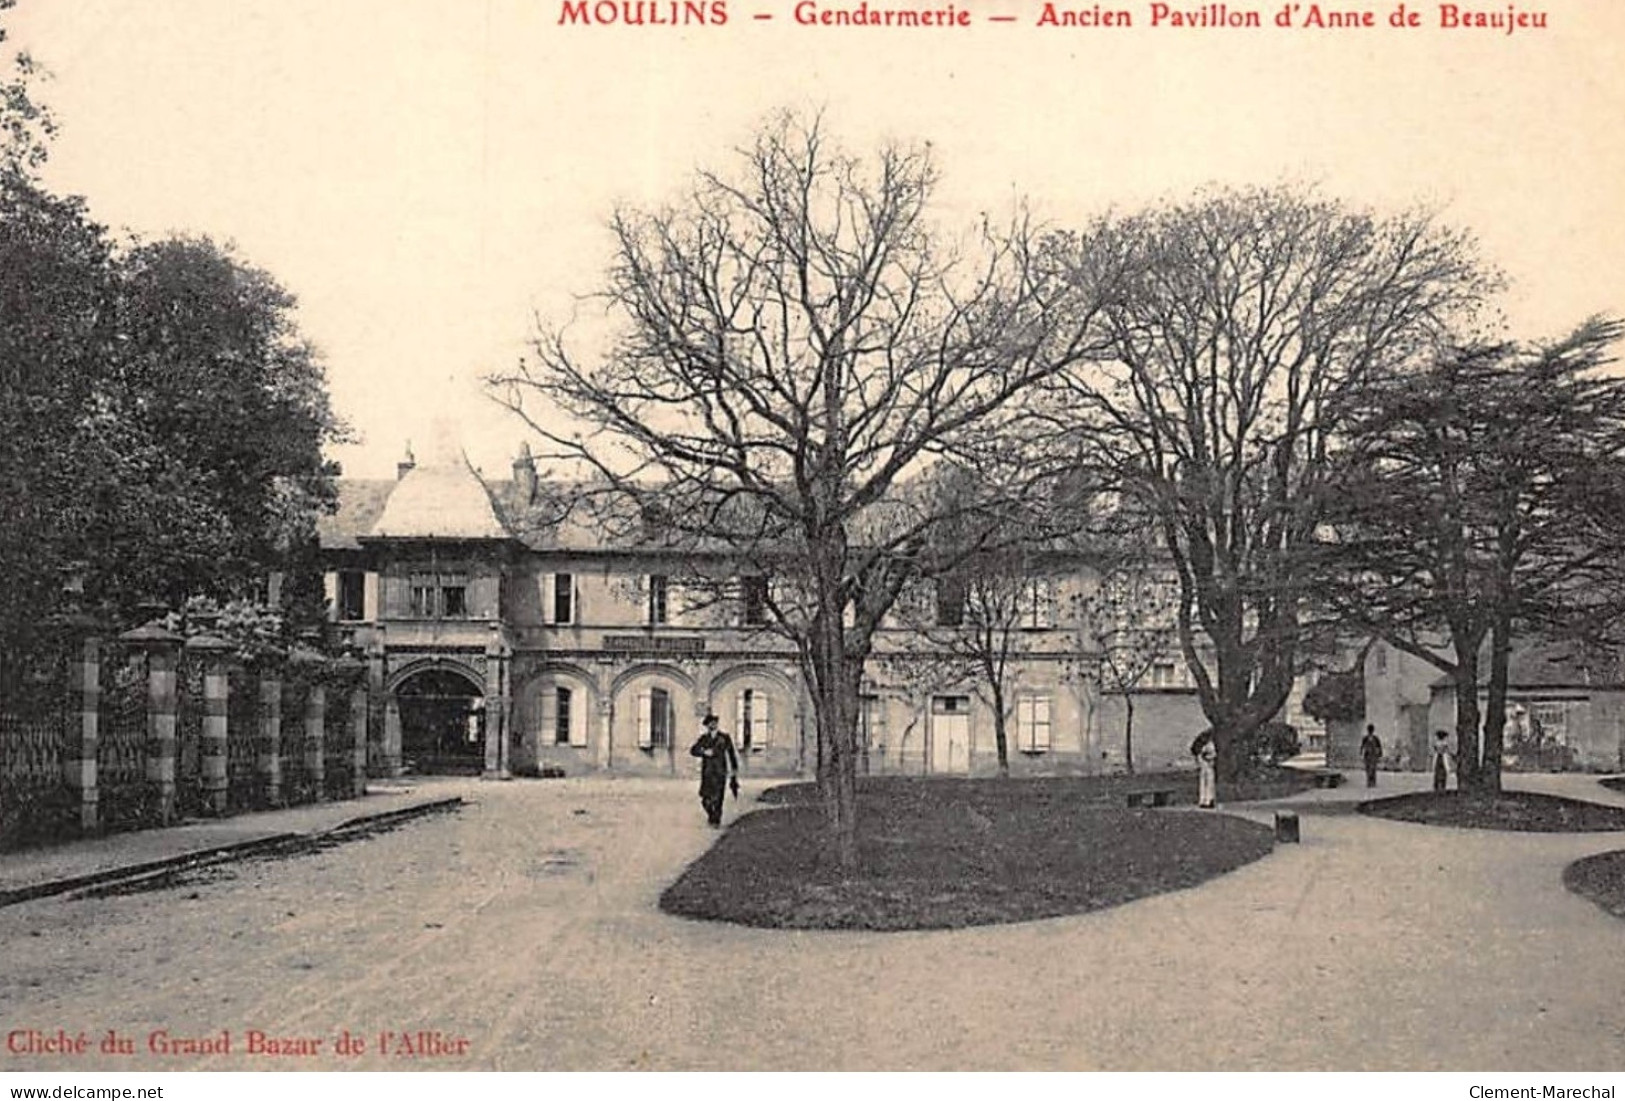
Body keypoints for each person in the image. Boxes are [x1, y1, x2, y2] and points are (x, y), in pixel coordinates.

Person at [689, 712, 739, 827]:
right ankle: (711, 815)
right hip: (707, 772)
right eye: (710, 723)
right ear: (707, 725)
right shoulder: (704, 738)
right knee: (705, 799)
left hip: (720, 771)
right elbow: (693, 750)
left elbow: (731, 754)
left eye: (715, 722)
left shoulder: (724, 738)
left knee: (718, 797)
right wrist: (704, 752)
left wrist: (734, 771)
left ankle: (716, 820)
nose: (713, 724)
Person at [1190, 729, 1217, 808]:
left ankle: (1205, 800)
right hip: (1207, 764)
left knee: (1205, 782)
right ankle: (1207, 800)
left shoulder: (1203, 745)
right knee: (1208, 782)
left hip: (1204, 764)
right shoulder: (1209, 744)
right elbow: (1212, 754)